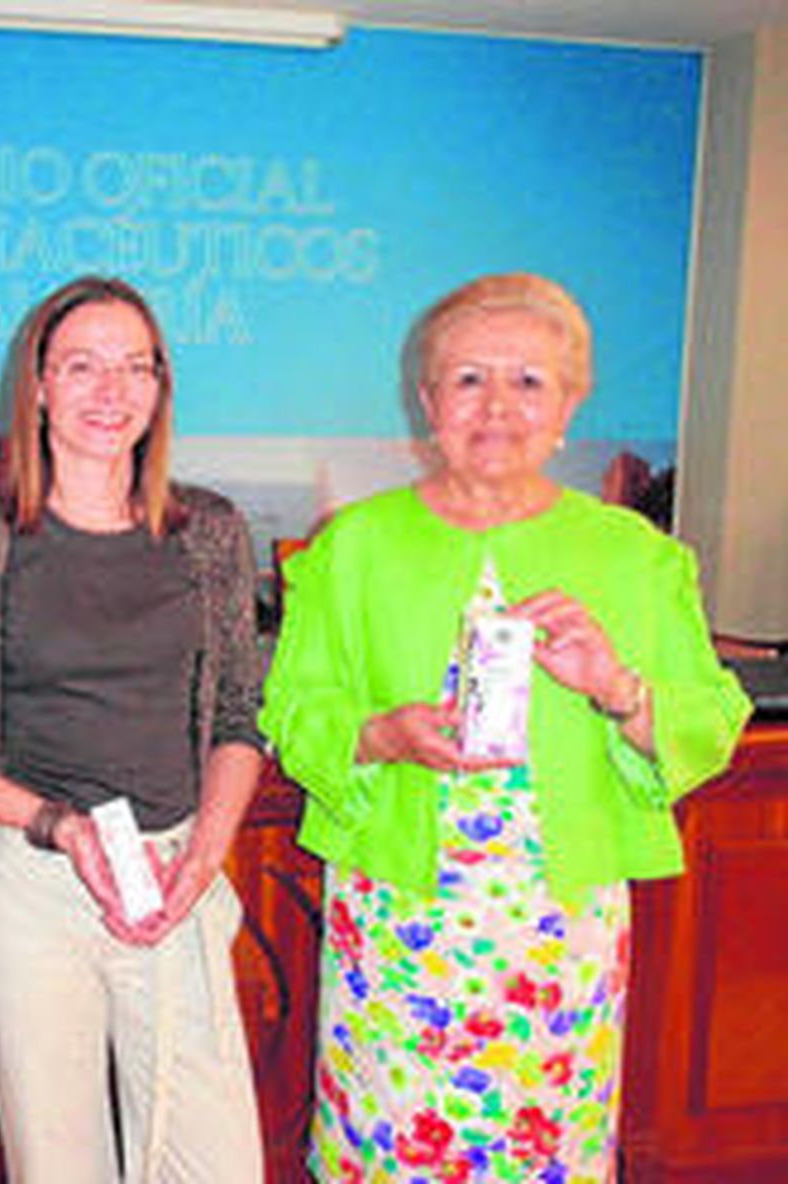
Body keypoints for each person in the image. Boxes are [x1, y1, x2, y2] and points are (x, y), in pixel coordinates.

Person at [259, 272, 751, 1182]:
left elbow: (714, 720)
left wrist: (619, 688)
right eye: (469, 378)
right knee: (389, 1144)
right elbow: (295, 710)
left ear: (570, 404)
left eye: (529, 380)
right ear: (428, 402)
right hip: (399, 919)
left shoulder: (635, 557)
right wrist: (380, 737)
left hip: (557, 926)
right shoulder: (355, 547)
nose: (497, 405)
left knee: (543, 1152)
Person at [0, 275, 267, 1183]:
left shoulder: (209, 532)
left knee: (215, 1165)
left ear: (161, 388)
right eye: (83, 366)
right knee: (58, 1167)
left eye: (136, 367)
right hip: (34, 885)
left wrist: (208, 850)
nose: (111, 390)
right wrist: (60, 824)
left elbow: (237, 719)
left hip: (175, 874)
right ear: (40, 386)